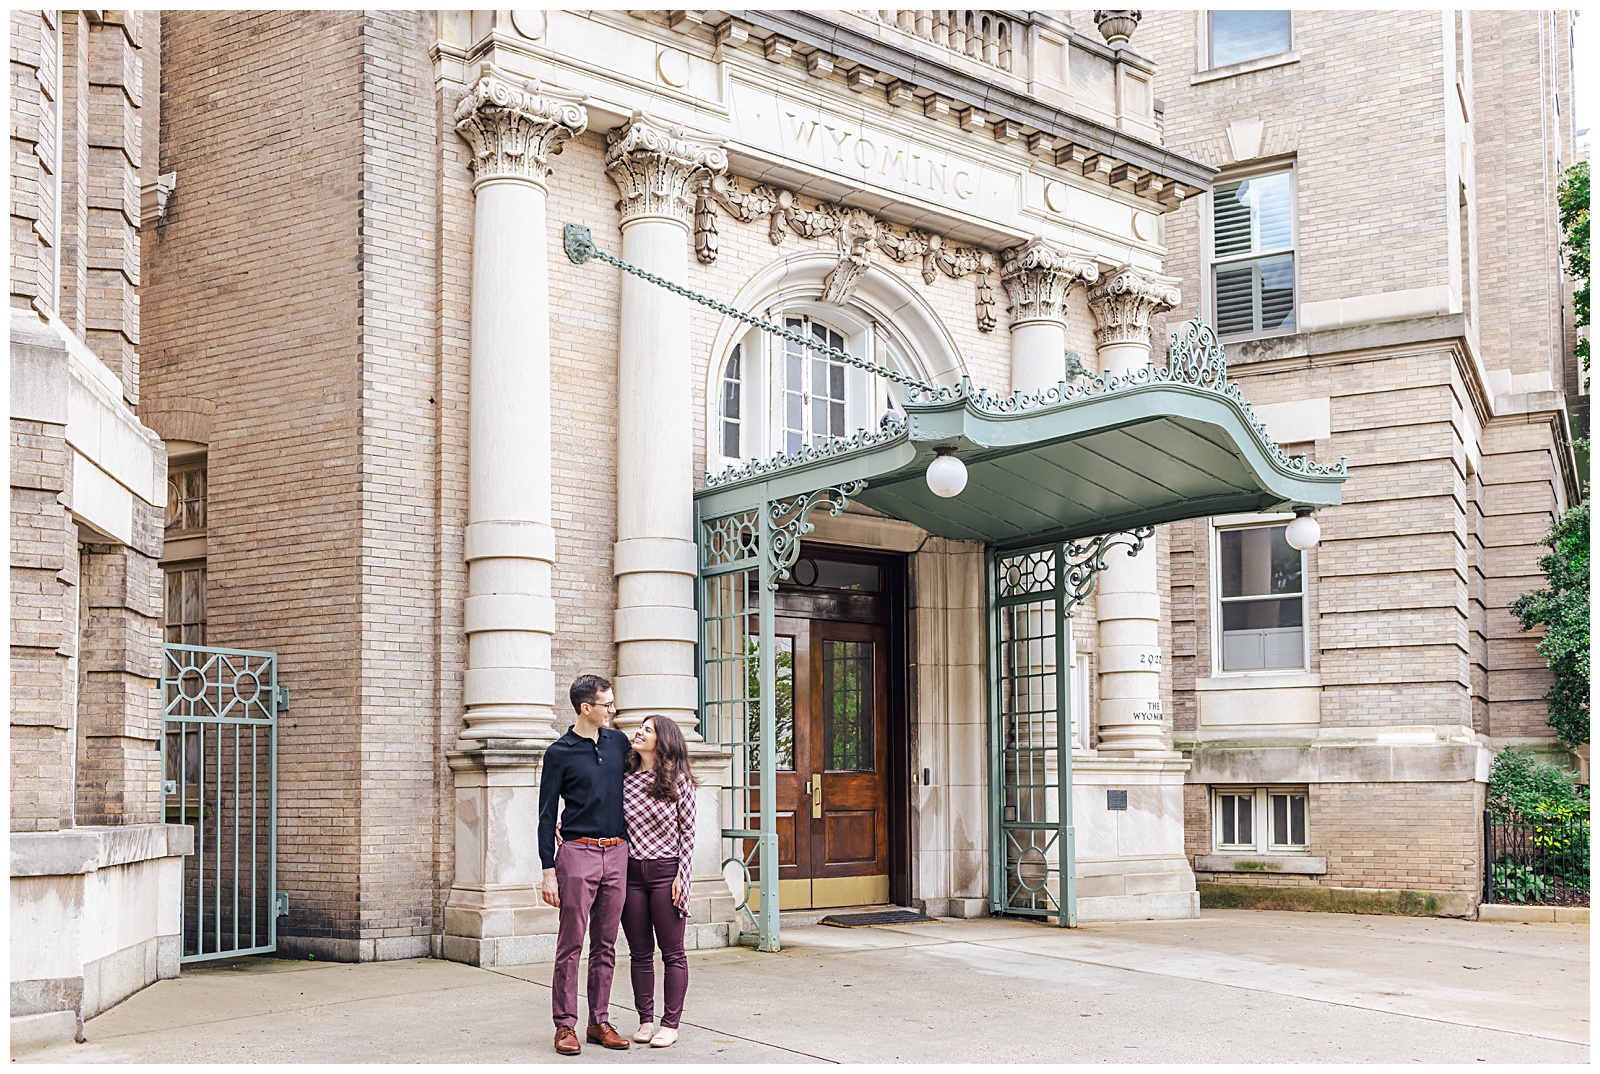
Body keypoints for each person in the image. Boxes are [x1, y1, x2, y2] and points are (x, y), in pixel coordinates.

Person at [538, 674, 632, 1056]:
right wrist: (548, 869)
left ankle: (599, 1021)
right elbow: (546, 816)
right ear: (586, 708)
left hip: (618, 852)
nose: (613, 709)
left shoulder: (620, 743)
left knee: (606, 944)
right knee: (571, 943)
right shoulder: (559, 752)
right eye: (607, 704)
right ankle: (565, 1026)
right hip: (577, 853)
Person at [620, 714, 698, 1049]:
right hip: (631, 874)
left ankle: (670, 1024)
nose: (639, 732)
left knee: (673, 952)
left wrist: (683, 875)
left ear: (662, 740)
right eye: (641, 727)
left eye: (647, 729)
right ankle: (645, 1020)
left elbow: (689, 833)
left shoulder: (678, 780)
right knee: (639, 952)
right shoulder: (623, 778)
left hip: (667, 873)